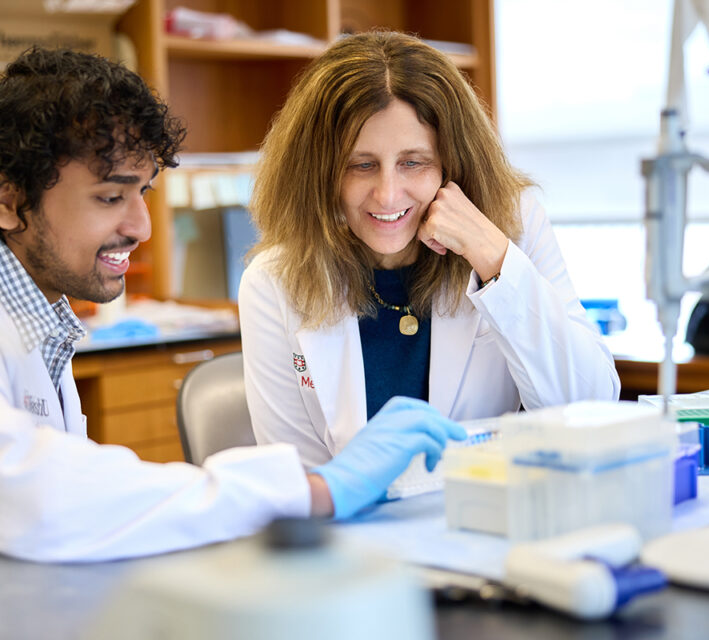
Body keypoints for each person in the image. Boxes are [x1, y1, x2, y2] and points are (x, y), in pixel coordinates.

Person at [0, 47, 466, 589]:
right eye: (111, 196)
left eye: (143, 191)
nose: (140, 225)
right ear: (3, 195)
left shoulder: (35, 317)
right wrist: (310, 489)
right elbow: (34, 497)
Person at [239, 31, 620, 486]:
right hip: (361, 545)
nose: (387, 194)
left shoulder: (510, 231)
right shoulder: (273, 282)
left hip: (487, 524)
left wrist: (493, 259)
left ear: (452, 163)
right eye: (361, 165)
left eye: (413, 162)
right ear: (320, 172)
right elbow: (304, 487)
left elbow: (591, 406)